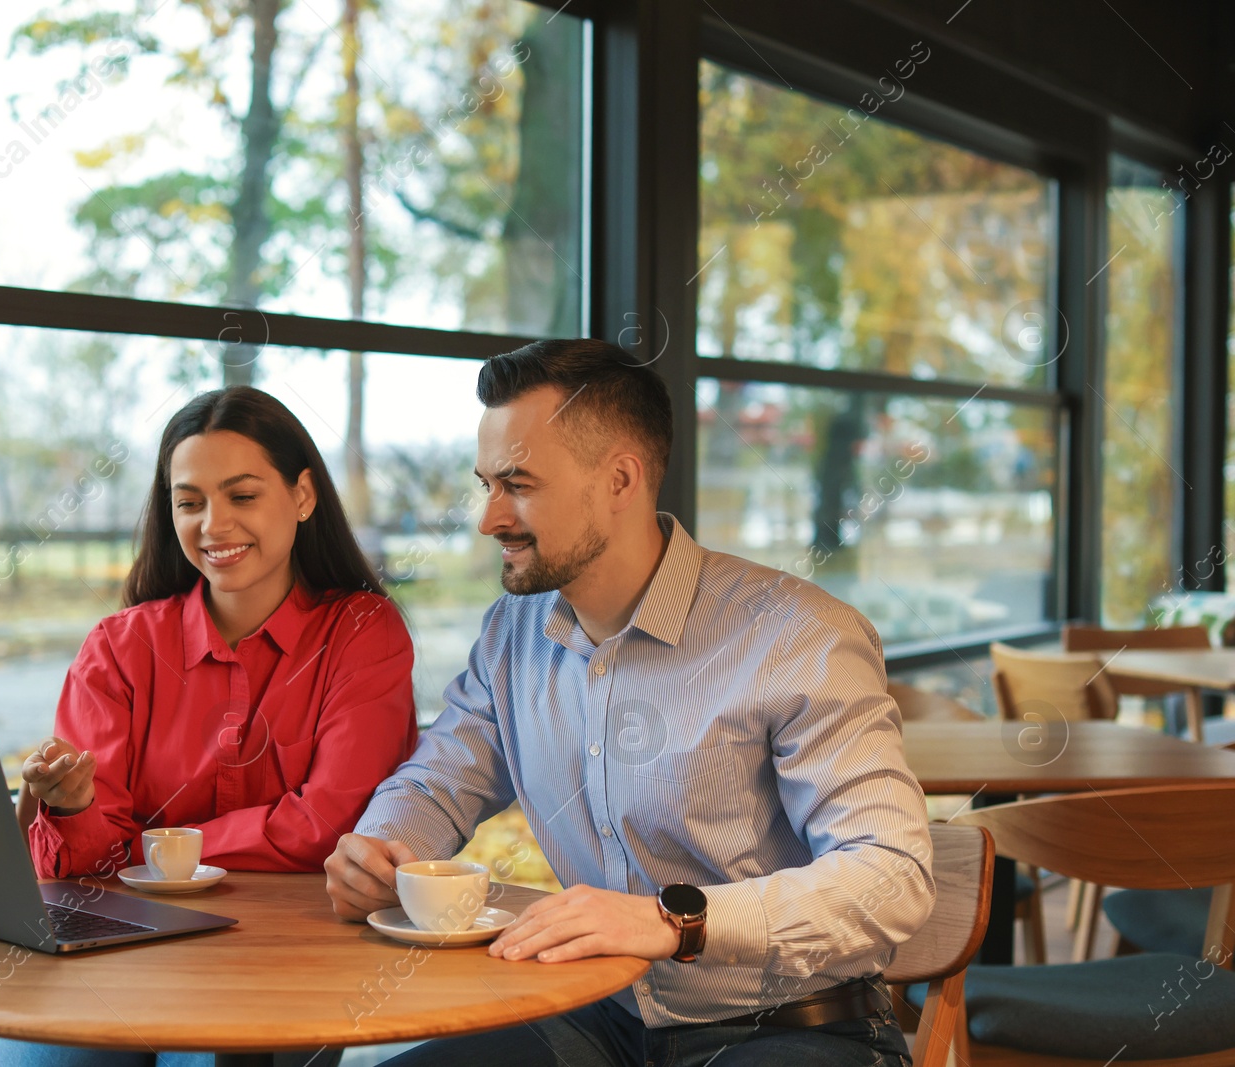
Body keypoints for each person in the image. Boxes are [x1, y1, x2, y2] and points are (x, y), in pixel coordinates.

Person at [324, 339, 935, 1067]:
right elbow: (438, 780)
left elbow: (891, 874)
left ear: (619, 479)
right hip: (596, 1019)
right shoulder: (513, 633)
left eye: (516, 483)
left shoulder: (800, 636)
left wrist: (672, 921)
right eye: (485, 482)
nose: (488, 518)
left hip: (794, 1026)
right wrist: (382, 847)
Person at [0, 386, 416, 1067]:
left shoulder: (364, 632)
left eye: (242, 495)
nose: (213, 524)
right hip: (122, 947)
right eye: (189, 501)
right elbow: (79, 867)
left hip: (290, 951)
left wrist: (155, 849)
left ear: (303, 495)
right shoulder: (119, 647)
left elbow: (331, 822)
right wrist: (72, 809)